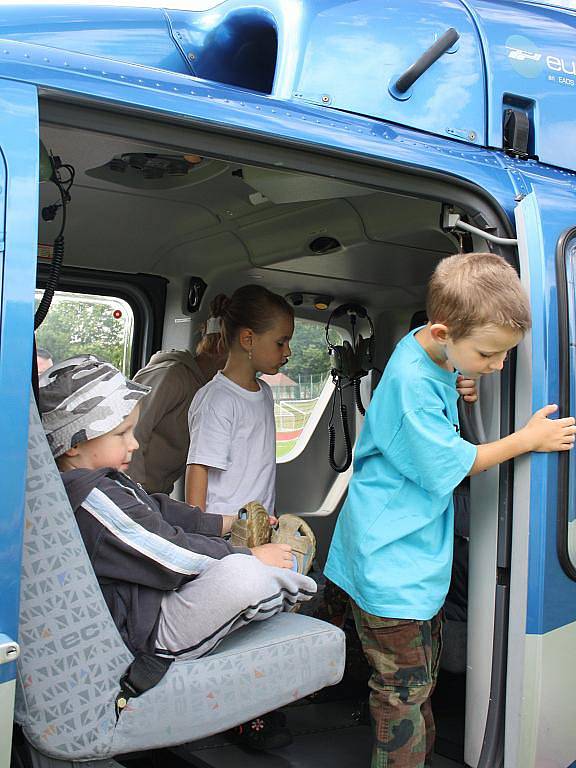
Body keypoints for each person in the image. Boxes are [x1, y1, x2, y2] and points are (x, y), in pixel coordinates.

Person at [324, 252, 576, 768]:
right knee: (403, 695)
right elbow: (458, 465)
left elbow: (442, 372)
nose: (498, 365)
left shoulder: (424, 354)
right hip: (391, 565)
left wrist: (461, 378)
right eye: (489, 354)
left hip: (399, 557)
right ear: (442, 332)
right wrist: (528, 438)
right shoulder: (413, 388)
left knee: (415, 685)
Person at [38, 355, 316, 674]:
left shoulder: (103, 480)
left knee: (224, 557)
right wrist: (250, 554)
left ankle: (266, 566)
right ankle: (289, 578)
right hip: (150, 628)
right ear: (74, 444)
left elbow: (157, 508)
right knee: (244, 575)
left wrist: (224, 523)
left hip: (152, 596)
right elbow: (168, 554)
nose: (134, 443)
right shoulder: (92, 500)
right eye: (122, 434)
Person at [185, 285, 293, 518]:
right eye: (280, 343)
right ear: (248, 339)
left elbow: (259, 471)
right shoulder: (217, 400)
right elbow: (198, 468)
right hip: (224, 533)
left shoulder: (264, 392)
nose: (288, 352)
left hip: (258, 527)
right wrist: (199, 534)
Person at [129, 297, 227, 494]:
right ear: (222, 347)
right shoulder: (171, 376)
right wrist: (134, 496)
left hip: (157, 494)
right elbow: (132, 433)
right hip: (135, 492)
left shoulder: (212, 390)